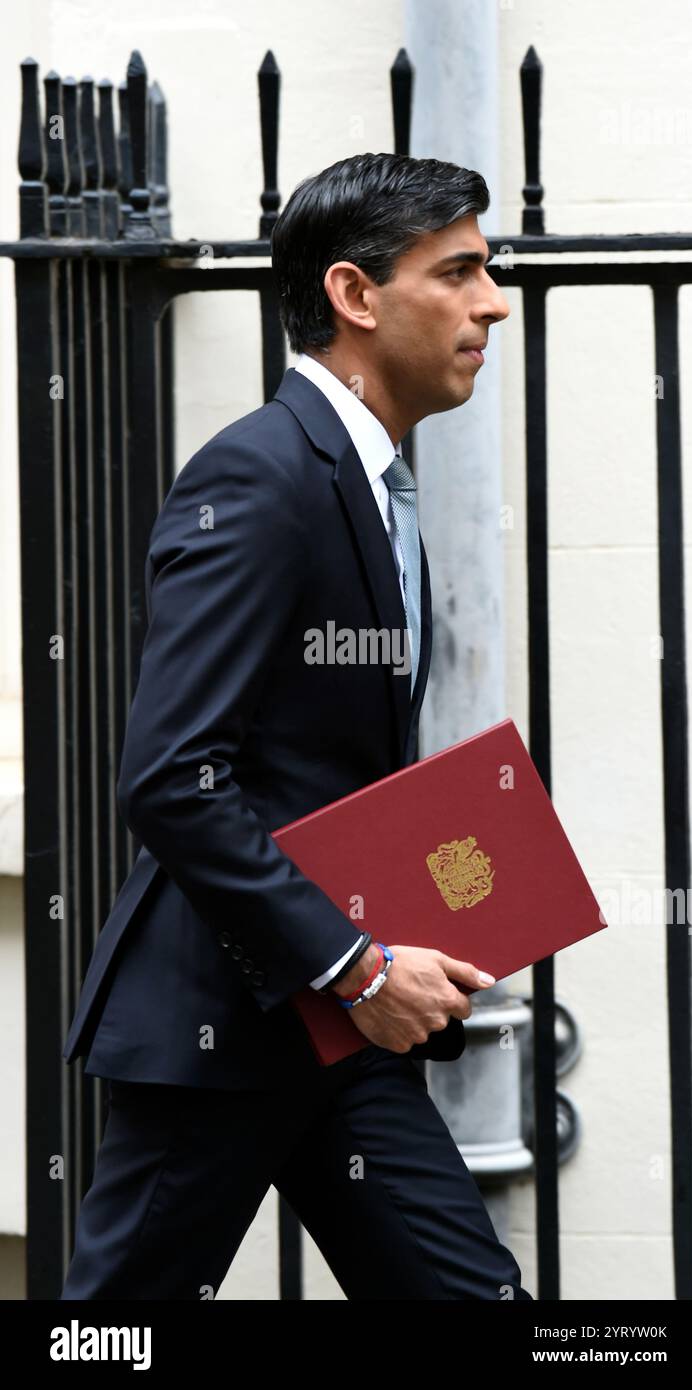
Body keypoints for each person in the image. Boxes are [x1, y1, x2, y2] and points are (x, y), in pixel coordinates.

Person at [60, 152, 531, 1301]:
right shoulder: (262, 475)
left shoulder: (371, 482)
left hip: (340, 1036)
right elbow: (174, 776)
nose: (493, 301)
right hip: (225, 1024)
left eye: (490, 270)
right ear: (355, 296)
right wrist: (356, 961)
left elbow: (309, 770)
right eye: (458, 270)